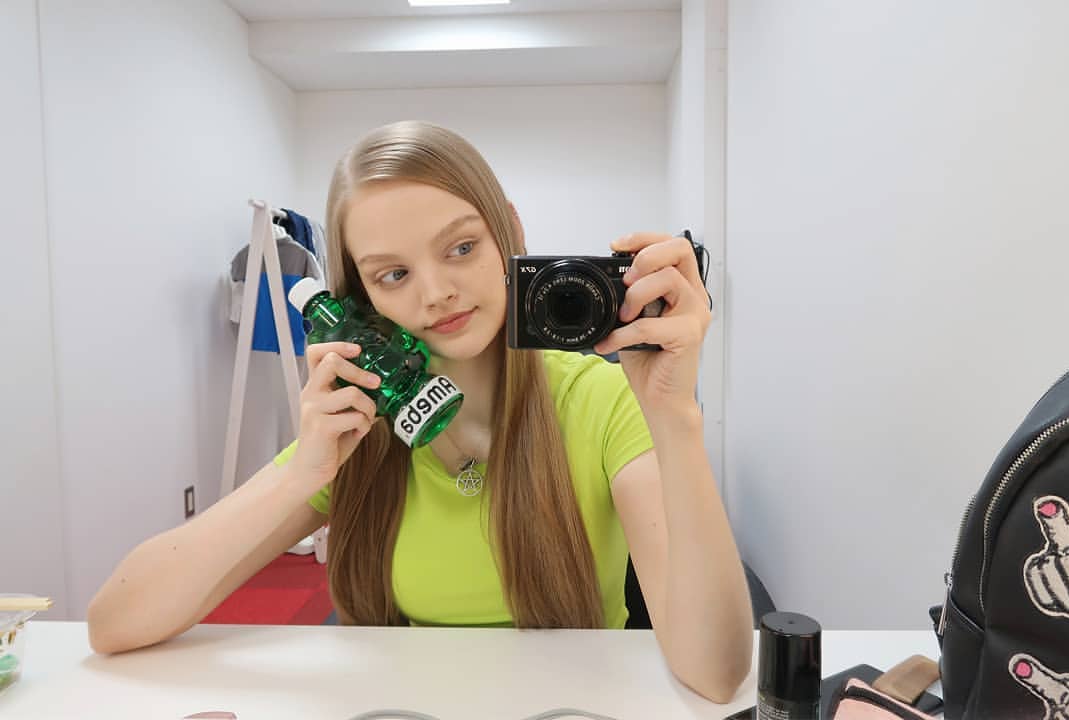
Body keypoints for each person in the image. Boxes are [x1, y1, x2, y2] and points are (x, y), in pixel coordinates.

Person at [87, 121, 752, 702]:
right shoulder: (359, 429)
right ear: (363, 297)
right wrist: (301, 475)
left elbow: (716, 675)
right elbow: (116, 622)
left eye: (461, 248)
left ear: (509, 232)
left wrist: (674, 415)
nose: (436, 293)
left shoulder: (598, 402)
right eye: (393, 274)